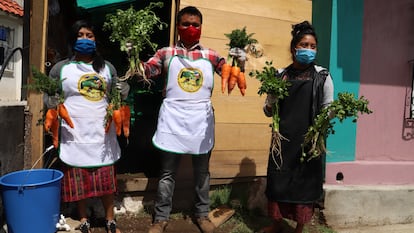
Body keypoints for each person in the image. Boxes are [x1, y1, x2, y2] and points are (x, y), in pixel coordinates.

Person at [133, 6, 233, 233]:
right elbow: (147, 71)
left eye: (195, 24)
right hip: (173, 119)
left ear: (201, 27)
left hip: (201, 120)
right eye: (186, 24)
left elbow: (229, 72)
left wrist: (238, 60)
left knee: (202, 172)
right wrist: (133, 57)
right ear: (178, 27)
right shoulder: (165, 53)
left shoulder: (212, 55)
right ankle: (160, 218)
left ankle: (202, 215)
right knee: (167, 173)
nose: (191, 28)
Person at [46, 20, 130, 233]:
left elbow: (115, 98)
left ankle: (110, 219)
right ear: (73, 39)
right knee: (78, 180)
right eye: (80, 35)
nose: (84, 39)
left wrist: (123, 90)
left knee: (106, 179)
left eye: (89, 35)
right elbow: (49, 95)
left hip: (102, 134)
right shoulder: (60, 68)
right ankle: (83, 219)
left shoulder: (107, 68)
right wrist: (52, 104)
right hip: (74, 133)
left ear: (96, 39)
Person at [260, 21, 334, 233]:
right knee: (278, 182)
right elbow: (266, 110)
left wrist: (326, 118)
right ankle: (276, 224)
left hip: (308, 143)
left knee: (303, 185)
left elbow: (328, 107)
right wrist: (271, 101)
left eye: (313, 46)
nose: (309, 50)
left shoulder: (322, 76)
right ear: (294, 48)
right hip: (282, 141)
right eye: (304, 45)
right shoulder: (280, 75)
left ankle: (299, 228)